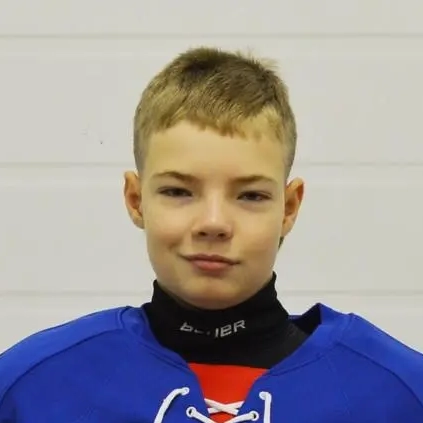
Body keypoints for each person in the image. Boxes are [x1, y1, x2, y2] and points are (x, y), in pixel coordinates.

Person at [0, 46, 422, 423]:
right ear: (135, 199)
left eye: (251, 195)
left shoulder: (397, 393)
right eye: (178, 191)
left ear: (289, 207)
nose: (214, 222)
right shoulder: (31, 387)